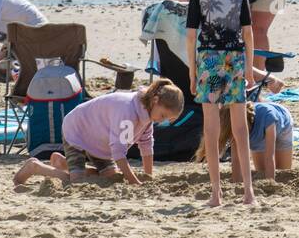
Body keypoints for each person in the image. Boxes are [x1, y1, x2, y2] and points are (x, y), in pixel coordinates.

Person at [186, 0, 256, 206]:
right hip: (235, 59)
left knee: (212, 128)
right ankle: (248, 192)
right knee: (240, 127)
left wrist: (192, 73)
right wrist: (249, 70)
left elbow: (191, 36)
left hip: (210, 61)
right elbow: (248, 33)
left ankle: (216, 193)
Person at [12, 79, 184, 186]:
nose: (161, 120)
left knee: (112, 178)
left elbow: (146, 145)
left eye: (166, 119)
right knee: (77, 182)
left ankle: (63, 163)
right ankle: (35, 167)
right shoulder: (128, 111)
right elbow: (119, 151)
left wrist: (148, 176)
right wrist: (133, 181)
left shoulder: (148, 115)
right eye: (163, 115)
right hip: (78, 131)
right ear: (155, 101)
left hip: (100, 142)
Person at [220, 102, 294, 181]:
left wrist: (270, 184)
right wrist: (236, 180)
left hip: (283, 123)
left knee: (283, 171)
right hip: (256, 130)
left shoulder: (268, 118)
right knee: (261, 171)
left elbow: (269, 157)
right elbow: (236, 159)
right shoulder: (234, 128)